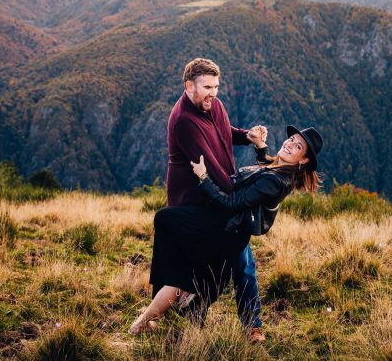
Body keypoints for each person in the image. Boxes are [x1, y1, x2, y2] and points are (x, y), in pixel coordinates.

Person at [129, 125, 323, 336]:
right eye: (291, 139)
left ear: (303, 160)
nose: (289, 144)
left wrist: (203, 177)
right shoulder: (277, 168)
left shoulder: (276, 181)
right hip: (230, 228)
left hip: (226, 228)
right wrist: (260, 146)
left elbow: (230, 203)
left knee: (171, 229)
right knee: (232, 270)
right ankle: (236, 321)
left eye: (298, 146)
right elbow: (264, 166)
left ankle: (146, 321)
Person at [165, 58, 268, 341]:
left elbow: (224, 133)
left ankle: (248, 324)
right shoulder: (184, 121)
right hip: (199, 201)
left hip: (220, 197)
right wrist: (243, 197)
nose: (214, 92)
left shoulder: (213, 105)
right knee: (226, 263)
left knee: (237, 262)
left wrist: (246, 136)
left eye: (217, 86)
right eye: (207, 87)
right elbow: (209, 167)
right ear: (189, 86)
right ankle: (239, 323)